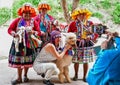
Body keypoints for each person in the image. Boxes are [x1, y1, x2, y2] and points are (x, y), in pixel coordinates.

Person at [8, 3, 41, 85]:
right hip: (18, 45)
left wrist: (33, 32)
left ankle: (25, 76)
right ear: (22, 13)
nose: (27, 14)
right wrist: (13, 33)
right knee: (19, 61)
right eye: (25, 13)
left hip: (29, 44)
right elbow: (10, 29)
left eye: (29, 13)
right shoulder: (17, 20)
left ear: (31, 14)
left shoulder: (34, 22)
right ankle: (19, 78)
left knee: (27, 60)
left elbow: (39, 32)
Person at [68, 8, 98, 82]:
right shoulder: (73, 24)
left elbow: (96, 34)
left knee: (85, 61)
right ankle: (76, 75)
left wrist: (90, 37)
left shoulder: (90, 23)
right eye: (80, 14)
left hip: (87, 44)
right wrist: (74, 38)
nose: (82, 16)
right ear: (76, 16)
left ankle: (85, 76)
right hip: (76, 44)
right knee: (76, 61)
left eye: (83, 14)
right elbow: (69, 33)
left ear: (86, 15)